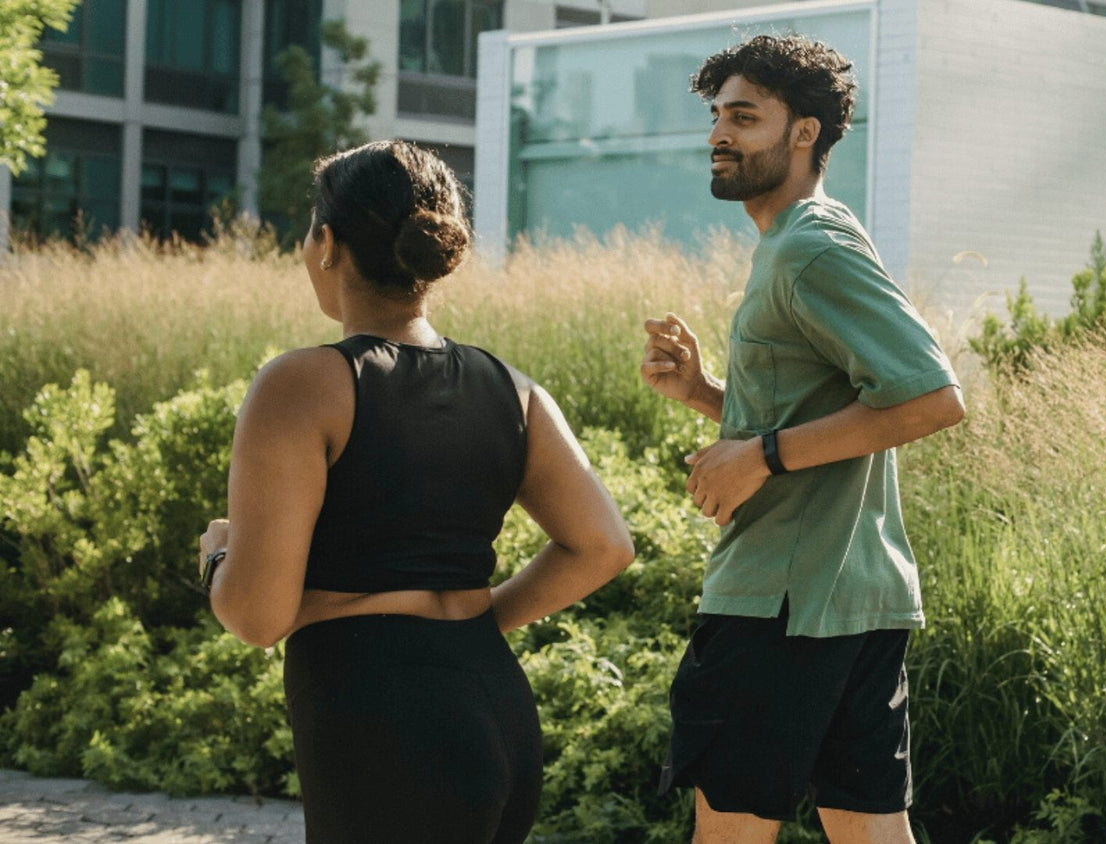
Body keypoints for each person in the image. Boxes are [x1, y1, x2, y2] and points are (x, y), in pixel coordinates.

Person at [198, 139, 634, 844]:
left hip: (380, 724)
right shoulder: (514, 390)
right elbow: (604, 546)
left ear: (328, 244)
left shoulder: (301, 386)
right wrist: (478, 626)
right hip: (494, 707)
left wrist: (219, 557)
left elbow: (257, 616)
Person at [641, 34, 966, 844]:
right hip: (849, 600)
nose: (720, 135)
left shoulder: (808, 248)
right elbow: (838, 405)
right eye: (718, 117)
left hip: (778, 608)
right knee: (868, 834)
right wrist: (708, 395)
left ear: (804, 132)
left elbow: (931, 396)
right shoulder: (806, 240)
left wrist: (762, 455)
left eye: (744, 118)